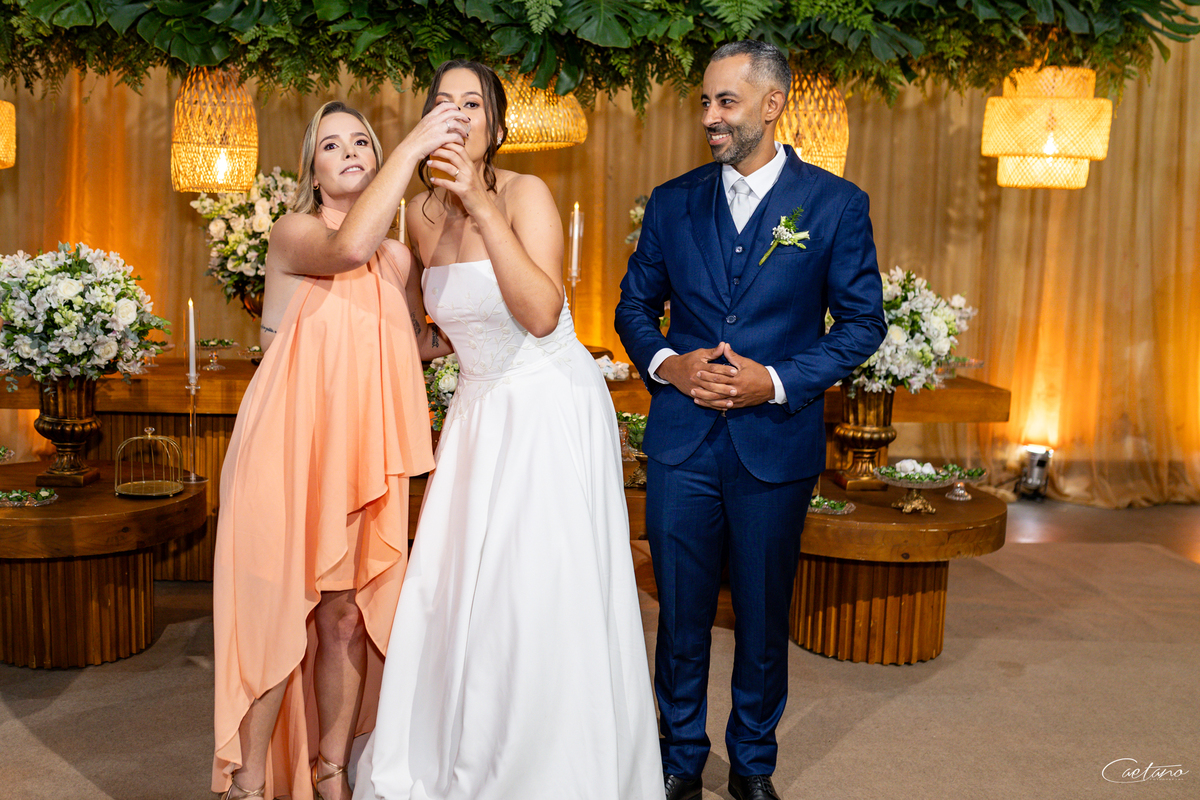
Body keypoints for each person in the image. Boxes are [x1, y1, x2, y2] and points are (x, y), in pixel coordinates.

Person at [353, 60, 663, 800]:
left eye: (474, 104)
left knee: (533, 586)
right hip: (477, 411)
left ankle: (551, 770)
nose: (457, 114)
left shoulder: (526, 194)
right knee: (460, 588)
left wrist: (481, 204)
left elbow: (541, 314)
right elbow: (438, 330)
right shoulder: (418, 214)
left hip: (547, 404)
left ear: (495, 125)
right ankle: (462, 748)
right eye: (443, 102)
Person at [615, 41, 887, 800]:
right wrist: (669, 364)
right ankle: (679, 758)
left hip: (775, 444)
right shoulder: (672, 201)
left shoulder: (835, 204)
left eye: (726, 102)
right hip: (683, 443)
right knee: (680, 615)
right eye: (704, 101)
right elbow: (633, 306)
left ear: (772, 105)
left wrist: (776, 380)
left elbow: (862, 324)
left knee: (764, 617)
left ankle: (753, 766)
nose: (710, 116)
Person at [211, 99, 470, 800]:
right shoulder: (295, 232)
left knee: (346, 617)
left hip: (358, 457)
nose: (350, 151)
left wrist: (478, 326)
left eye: (361, 141)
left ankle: (331, 771)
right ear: (313, 172)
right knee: (275, 615)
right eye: (332, 145)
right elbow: (348, 249)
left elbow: (412, 340)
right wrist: (414, 145)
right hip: (285, 449)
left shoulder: (397, 257)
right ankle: (249, 784)